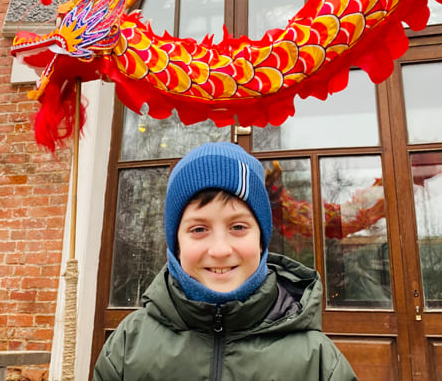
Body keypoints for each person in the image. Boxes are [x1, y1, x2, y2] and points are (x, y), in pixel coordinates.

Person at [93, 142, 357, 380]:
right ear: (175, 246)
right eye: (198, 229)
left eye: (238, 227)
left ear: (262, 241)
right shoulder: (129, 345)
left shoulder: (318, 360)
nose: (219, 250)